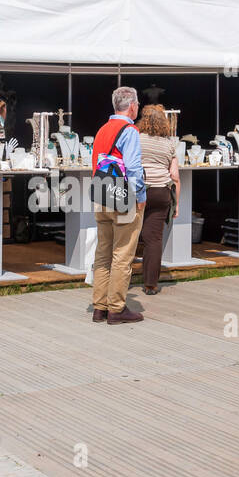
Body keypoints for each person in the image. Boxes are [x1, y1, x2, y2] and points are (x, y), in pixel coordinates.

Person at [90, 86, 146, 324]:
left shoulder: (103, 129)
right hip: (123, 197)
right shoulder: (129, 130)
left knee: (103, 252)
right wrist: (140, 197)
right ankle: (116, 309)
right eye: (137, 104)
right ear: (132, 105)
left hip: (102, 194)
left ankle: (99, 307)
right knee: (122, 254)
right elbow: (133, 168)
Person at [135, 103, 180, 295]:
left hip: (138, 191)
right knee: (153, 239)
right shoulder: (170, 143)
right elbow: (175, 175)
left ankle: (119, 279)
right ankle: (151, 284)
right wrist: (176, 204)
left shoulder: (135, 139)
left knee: (128, 236)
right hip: (161, 192)